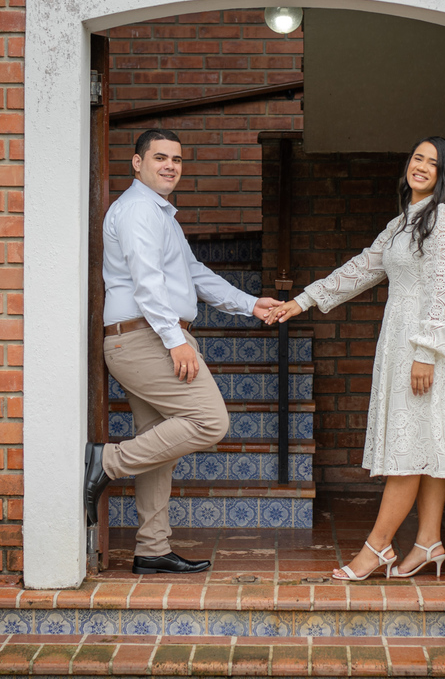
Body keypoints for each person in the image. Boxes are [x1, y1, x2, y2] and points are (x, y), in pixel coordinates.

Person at [268, 136, 445, 581]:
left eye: (433, 163)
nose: (422, 166)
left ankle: (377, 548)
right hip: (400, 340)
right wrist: (303, 301)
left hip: (424, 344)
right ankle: (429, 542)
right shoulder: (401, 223)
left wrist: (427, 351)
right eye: (417, 157)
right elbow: (362, 268)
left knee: (409, 445)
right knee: (423, 443)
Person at [85, 128, 278, 575]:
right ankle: (106, 461)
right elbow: (147, 281)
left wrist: (249, 304)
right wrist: (175, 341)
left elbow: (194, 273)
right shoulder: (138, 210)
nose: (170, 166)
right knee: (209, 420)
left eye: (176, 159)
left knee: (159, 442)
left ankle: (152, 548)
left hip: (148, 335)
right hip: (146, 337)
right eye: (160, 157)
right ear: (138, 163)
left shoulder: (161, 215)